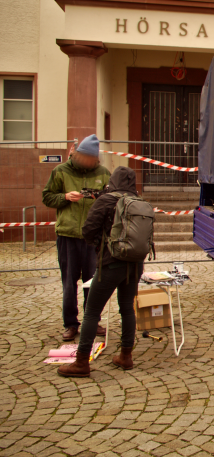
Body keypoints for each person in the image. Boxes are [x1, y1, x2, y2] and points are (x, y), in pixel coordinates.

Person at [58, 166, 143, 378]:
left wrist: (99, 246)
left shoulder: (106, 200)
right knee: (127, 310)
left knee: (92, 312)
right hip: (134, 264)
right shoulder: (140, 202)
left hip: (110, 263)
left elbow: (88, 230)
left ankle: (81, 363)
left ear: (113, 180)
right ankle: (126, 356)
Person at [42, 134, 110, 341]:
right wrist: (65, 197)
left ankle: (93, 320)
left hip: (92, 238)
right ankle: (71, 324)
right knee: (69, 283)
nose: (89, 162)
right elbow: (47, 197)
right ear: (78, 154)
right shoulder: (60, 171)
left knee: (93, 282)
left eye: (93, 159)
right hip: (68, 234)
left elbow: (111, 200)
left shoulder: (103, 173)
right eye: (86, 158)